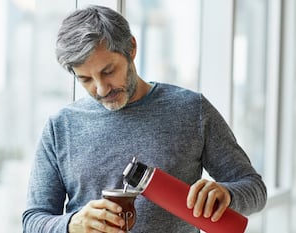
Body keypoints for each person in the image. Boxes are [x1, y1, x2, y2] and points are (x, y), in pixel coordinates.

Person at [22, 5, 267, 233]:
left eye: (108, 71)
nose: (101, 88)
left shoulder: (192, 110)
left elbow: (255, 189)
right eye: (85, 79)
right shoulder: (60, 126)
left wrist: (227, 194)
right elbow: (33, 220)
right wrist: (71, 224)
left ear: (131, 48)